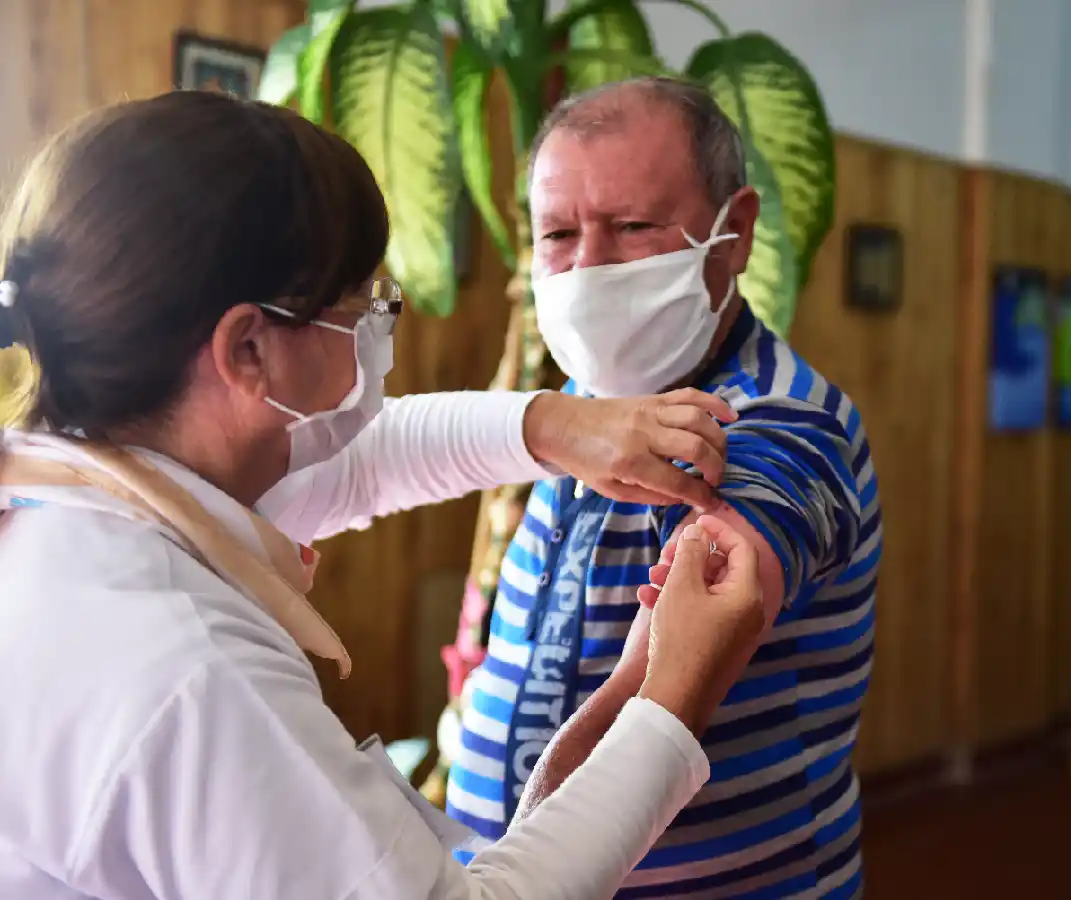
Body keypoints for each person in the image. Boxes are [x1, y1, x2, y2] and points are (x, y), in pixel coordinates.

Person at [0, 91, 770, 898]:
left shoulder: (70, 496)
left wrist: (549, 425)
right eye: (359, 305)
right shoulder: (188, 670)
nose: (377, 325)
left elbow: (361, 463)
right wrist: (671, 694)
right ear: (248, 350)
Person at [448, 77, 882, 898]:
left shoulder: (784, 422)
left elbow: (673, 665)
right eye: (558, 234)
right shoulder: (579, 408)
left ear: (735, 233)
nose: (587, 268)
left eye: (632, 227)